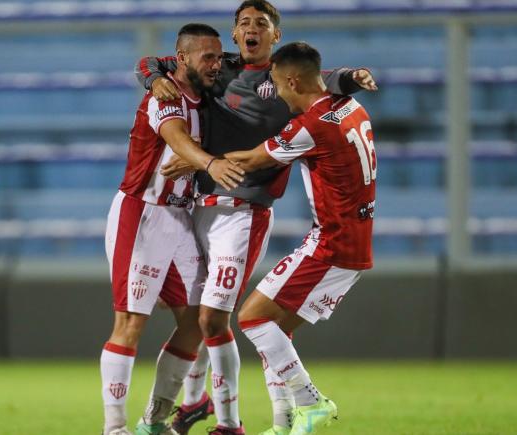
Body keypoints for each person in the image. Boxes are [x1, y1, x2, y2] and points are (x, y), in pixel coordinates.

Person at [135, 2, 377, 434]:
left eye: (261, 24)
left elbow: (317, 85)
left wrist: (200, 162)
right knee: (209, 320)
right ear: (233, 34)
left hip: (246, 212)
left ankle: (232, 423)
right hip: (198, 209)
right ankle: (255, 416)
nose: (251, 29)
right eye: (244, 23)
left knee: (225, 318)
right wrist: (153, 78)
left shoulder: (290, 91)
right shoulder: (217, 67)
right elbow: (154, 63)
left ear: (275, 36)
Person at [101, 23, 245, 435]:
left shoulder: (208, 92)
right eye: (208, 57)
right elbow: (175, 137)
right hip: (142, 214)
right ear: (182, 59)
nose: (217, 64)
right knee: (130, 323)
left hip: (180, 217)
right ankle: (114, 428)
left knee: (199, 319)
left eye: (219, 56)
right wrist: (209, 162)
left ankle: (156, 419)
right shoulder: (163, 95)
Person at [227, 41, 376, 435]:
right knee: (276, 329)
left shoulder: (309, 127)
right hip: (353, 241)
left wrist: (197, 162)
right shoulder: (351, 107)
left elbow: (255, 159)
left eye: (276, 83)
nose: (275, 91)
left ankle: (312, 402)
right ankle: (283, 423)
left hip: (331, 244)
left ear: (292, 79)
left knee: (252, 317)